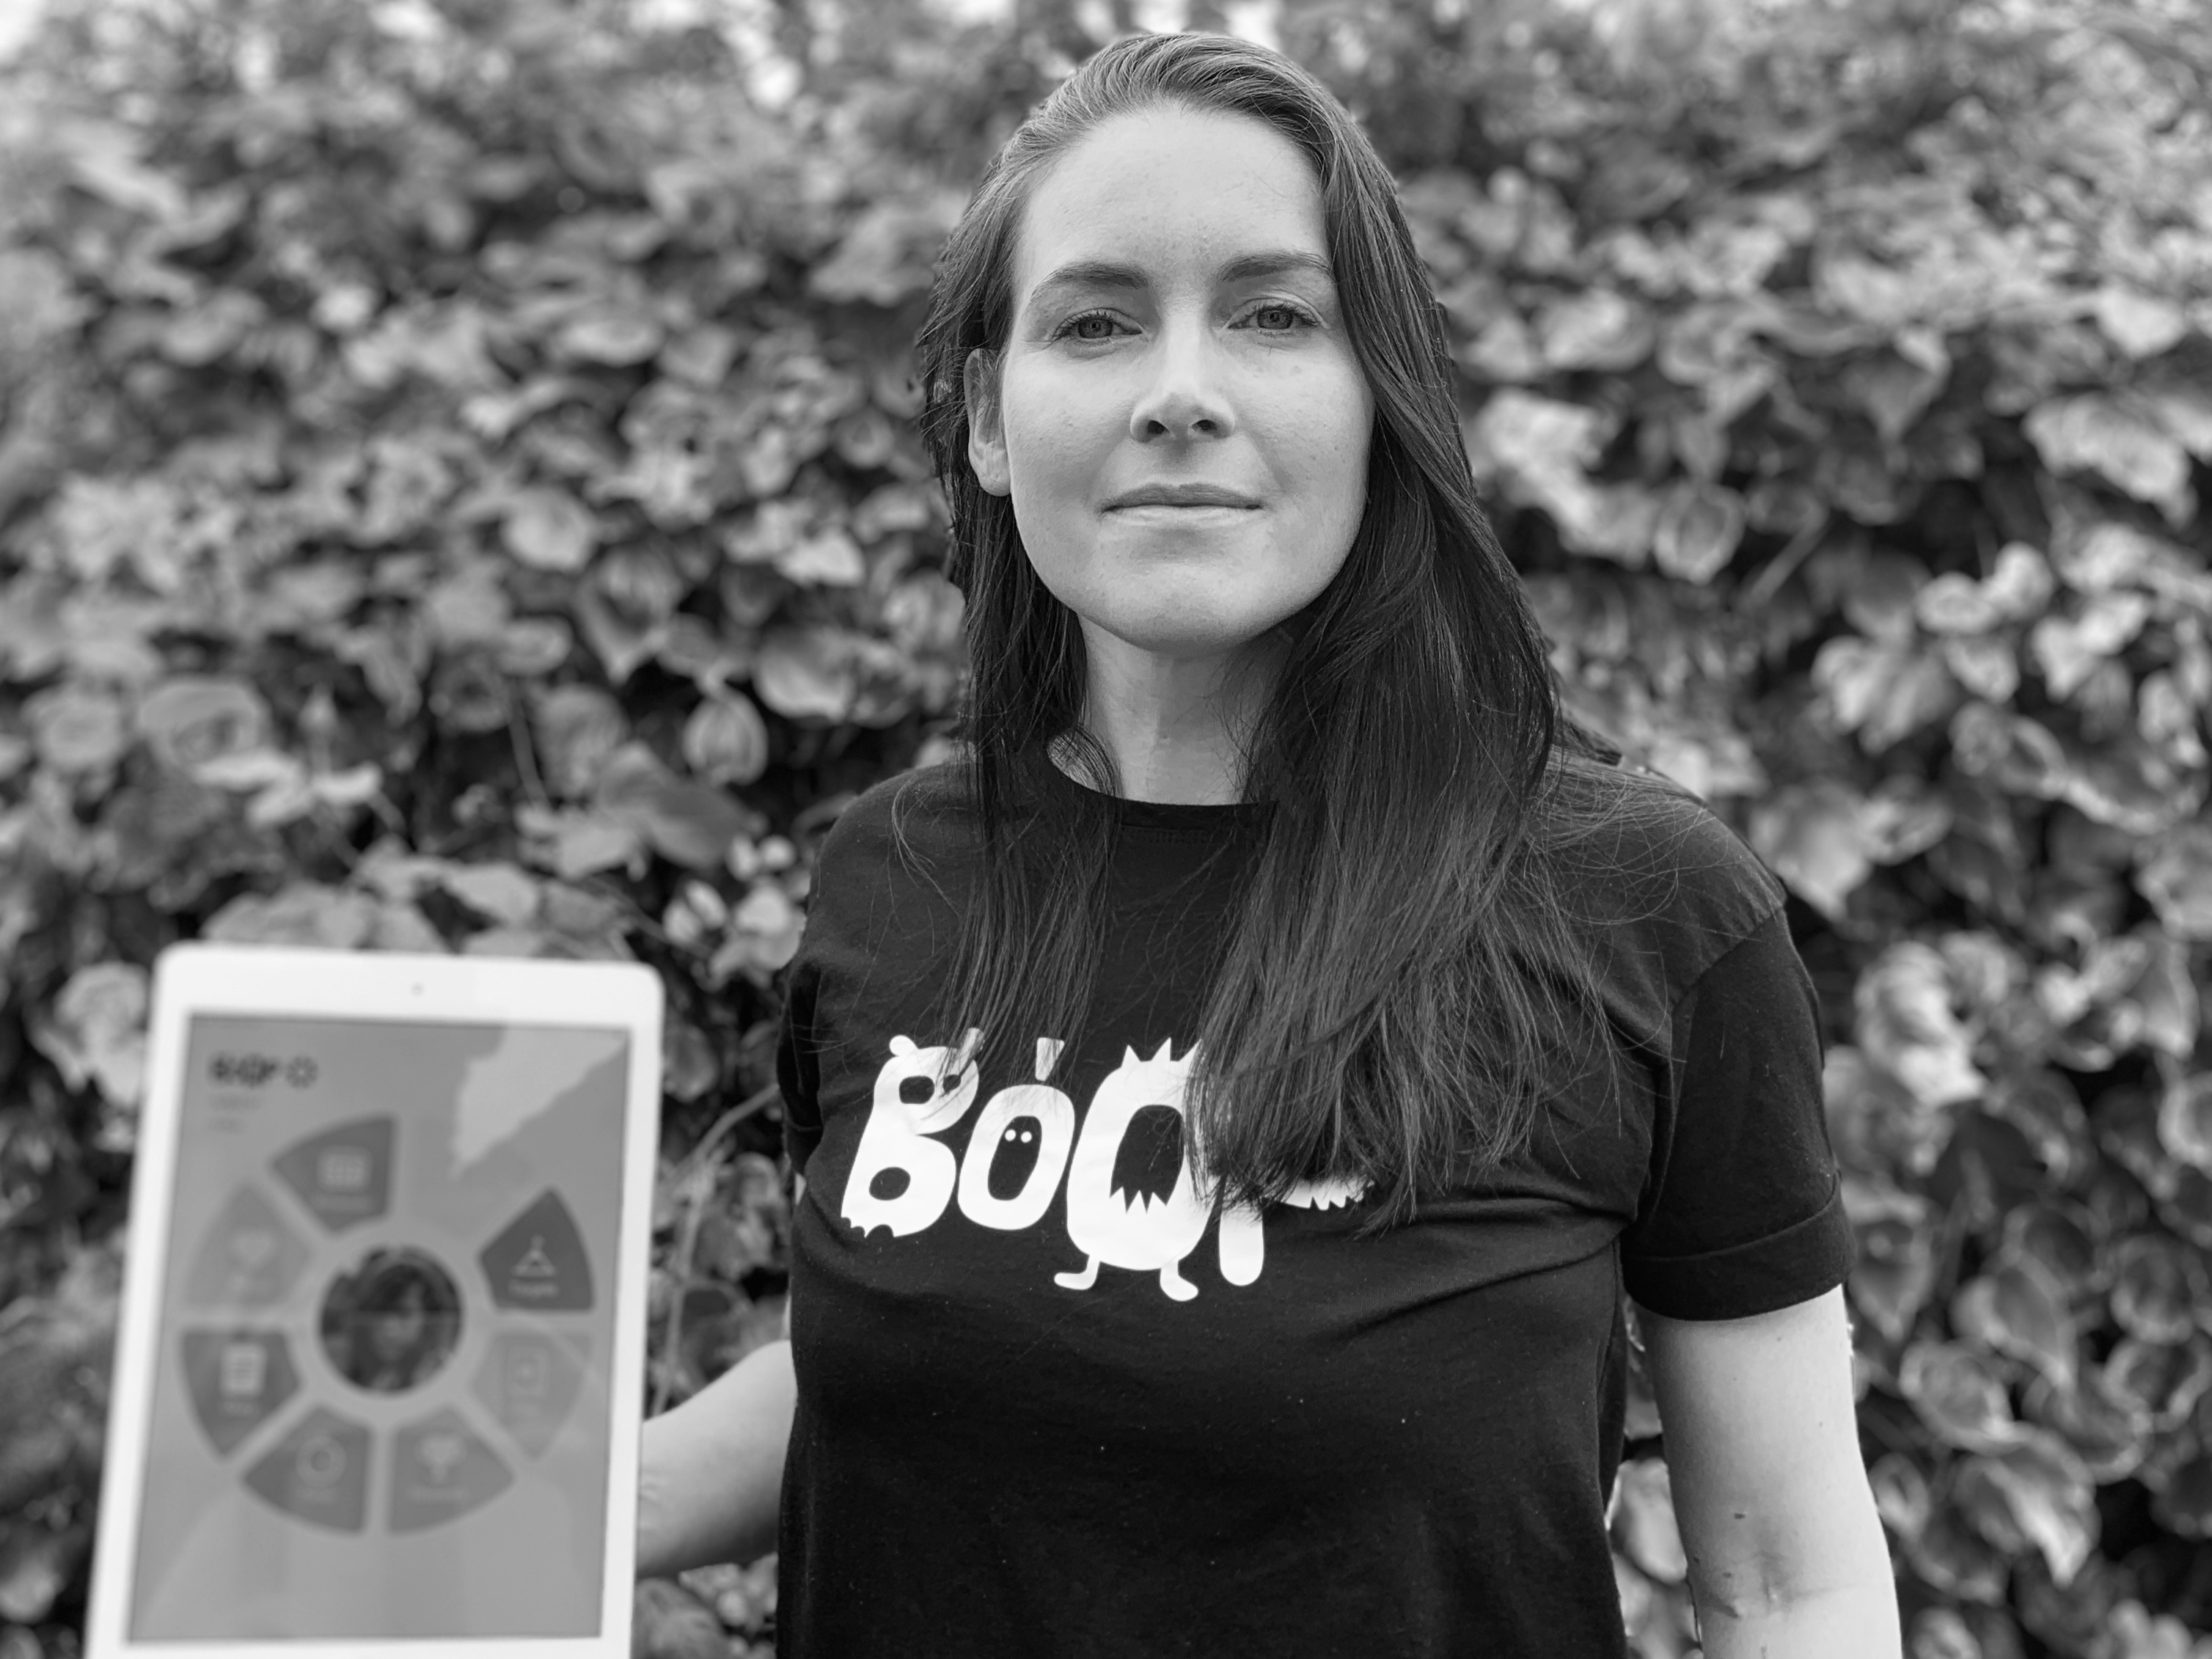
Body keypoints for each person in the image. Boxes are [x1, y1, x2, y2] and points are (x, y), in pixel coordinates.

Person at [637, 29, 1902, 1659]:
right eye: (1095, 322)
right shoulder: (895, 871)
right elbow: (903, 1352)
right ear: (989, 420)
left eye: (1275, 315)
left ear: (1381, 397)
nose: (1180, 392)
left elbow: (1787, 1580)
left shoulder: (1643, 907)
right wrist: (483, 1517)